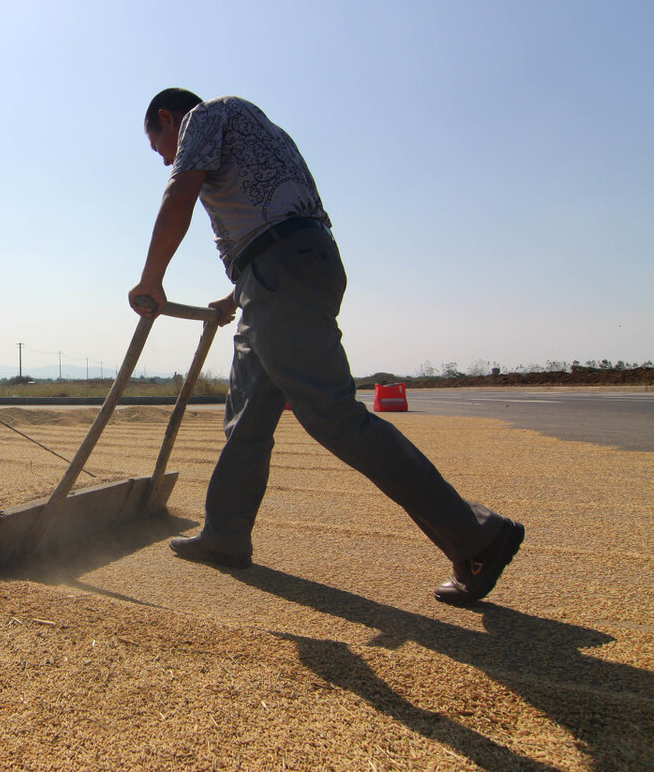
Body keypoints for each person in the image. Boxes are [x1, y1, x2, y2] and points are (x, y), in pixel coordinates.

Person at [129, 89, 524, 606]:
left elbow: (180, 193)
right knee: (246, 417)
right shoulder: (254, 129)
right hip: (275, 274)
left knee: (335, 418)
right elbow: (274, 219)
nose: (161, 155)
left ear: (167, 117)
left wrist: (150, 280)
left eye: (155, 142)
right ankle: (225, 533)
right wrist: (236, 296)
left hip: (282, 275)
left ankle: (477, 537)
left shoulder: (205, 116)